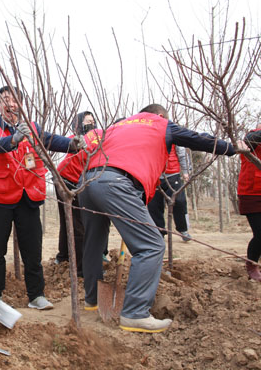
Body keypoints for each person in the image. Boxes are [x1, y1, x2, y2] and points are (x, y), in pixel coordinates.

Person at [79, 104, 237, 333]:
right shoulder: (160, 124)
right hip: (115, 183)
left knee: (94, 244)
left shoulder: (118, 125)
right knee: (152, 245)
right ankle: (134, 313)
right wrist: (231, 148)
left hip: (88, 180)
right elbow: (197, 139)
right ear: (161, 116)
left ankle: (92, 300)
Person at [0, 86, 80, 310]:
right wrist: (14, 139)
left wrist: (72, 145)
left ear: (21, 104)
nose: (11, 104)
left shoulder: (33, 128)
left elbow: (52, 140)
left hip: (28, 198)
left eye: (15, 100)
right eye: (6, 100)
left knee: (32, 251)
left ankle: (36, 295)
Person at [55, 111, 97, 276]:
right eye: (87, 121)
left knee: (71, 222)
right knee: (76, 225)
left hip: (77, 183)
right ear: (79, 124)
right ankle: (80, 269)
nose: (91, 124)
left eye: (93, 121)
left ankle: (63, 256)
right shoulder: (76, 139)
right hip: (64, 181)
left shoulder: (96, 139)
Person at [147, 145, 193, 242]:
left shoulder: (173, 132)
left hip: (173, 174)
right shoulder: (149, 133)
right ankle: (159, 232)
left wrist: (186, 171)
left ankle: (183, 229)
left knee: (179, 201)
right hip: (154, 175)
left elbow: (182, 153)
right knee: (154, 205)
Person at [237, 123, 261, 282]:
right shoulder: (252, 137)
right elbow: (246, 143)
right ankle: (252, 264)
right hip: (252, 193)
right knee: (260, 233)